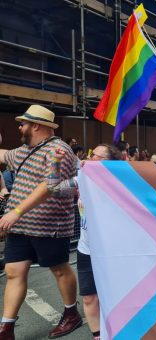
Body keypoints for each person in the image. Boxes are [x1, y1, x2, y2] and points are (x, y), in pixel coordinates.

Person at [0, 105, 81, 339]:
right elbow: (4, 155)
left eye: (22, 123)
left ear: (36, 125)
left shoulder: (59, 150)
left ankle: (71, 314)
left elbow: (49, 186)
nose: (19, 127)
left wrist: (16, 211)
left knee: (59, 269)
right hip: (20, 225)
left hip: (48, 225)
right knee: (14, 271)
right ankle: (6, 327)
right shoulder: (25, 150)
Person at [48, 144, 123, 340]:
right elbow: (54, 189)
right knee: (89, 297)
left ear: (106, 162)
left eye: (94, 155)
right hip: (86, 250)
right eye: (90, 153)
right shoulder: (82, 180)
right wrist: (56, 161)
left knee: (116, 298)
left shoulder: (120, 184)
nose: (87, 158)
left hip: (113, 252)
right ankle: (97, 336)